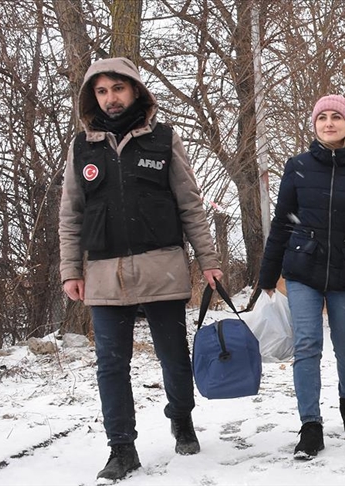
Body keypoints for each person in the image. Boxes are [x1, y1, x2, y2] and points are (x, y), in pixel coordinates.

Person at [58, 57, 224, 483]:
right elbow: (71, 214)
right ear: (92, 97)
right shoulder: (81, 148)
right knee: (111, 365)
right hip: (103, 274)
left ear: (135, 91)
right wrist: (70, 269)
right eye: (101, 91)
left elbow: (190, 204)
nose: (110, 98)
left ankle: (182, 419)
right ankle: (121, 448)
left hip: (161, 267)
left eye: (118, 88)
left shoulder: (164, 140)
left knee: (173, 356)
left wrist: (208, 260)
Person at [258, 94, 345, 460]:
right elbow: (282, 222)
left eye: (336, 117)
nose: (328, 123)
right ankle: (310, 424)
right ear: (314, 124)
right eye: (322, 117)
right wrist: (267, 274)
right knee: (307, 344)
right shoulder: (297, 167)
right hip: (302, 269)